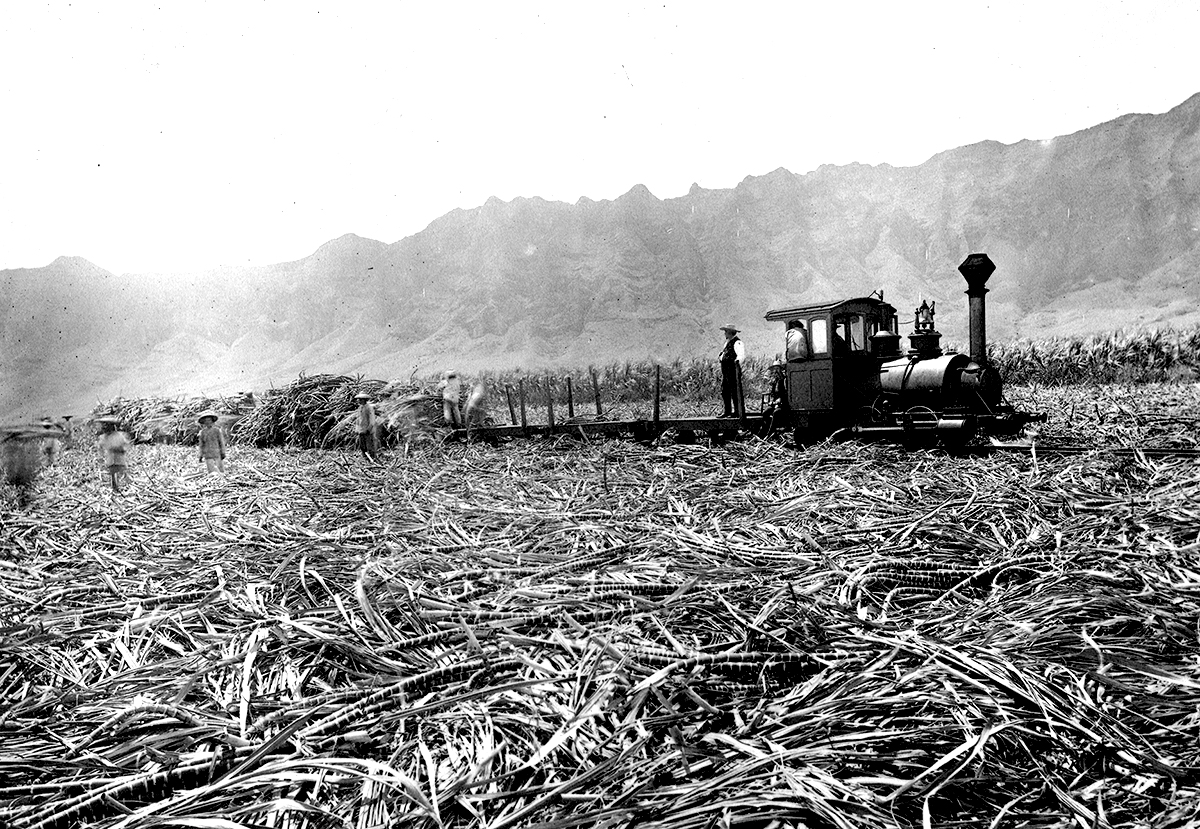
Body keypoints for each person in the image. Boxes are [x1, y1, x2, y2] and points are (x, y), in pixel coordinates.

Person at [717, 324, 745, 418]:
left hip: (733, 370)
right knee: (725, 391)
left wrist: (736, 363)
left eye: (726, 331)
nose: (725, 333)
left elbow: (741, 355)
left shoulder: (737, 342)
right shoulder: (727, 342)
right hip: (726, 371)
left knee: (734, 391)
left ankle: (737, 412)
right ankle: (727, 411)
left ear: (730, 332)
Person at [96, 417, 130, 492]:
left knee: (121, 473)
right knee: (114, 474)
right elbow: (100, 447)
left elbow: (125, 445)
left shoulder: (120, 435)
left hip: (118, 457)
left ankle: (125, 488)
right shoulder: (104, 437)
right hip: (111, 458)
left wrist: (120, 449)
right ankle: (116, 489)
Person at [197, 410, 227, 474]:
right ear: (204, 422)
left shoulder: (217, 431)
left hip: (217, 453)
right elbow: (201, 445)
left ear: (212, 421)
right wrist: (200, 455)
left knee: (220, 471)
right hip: (208, 454)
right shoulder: (202, 432)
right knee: (211, 472)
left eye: (209, 420)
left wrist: (223, 452)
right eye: (206, 421)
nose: (208, 422)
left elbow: (221, 442)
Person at [762, 359, 789, 432]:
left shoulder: (785, 381)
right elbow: (773, 394)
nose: (776, 370)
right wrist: (772, 402)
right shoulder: (775, 381)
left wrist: (778, 402)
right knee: (765, 412)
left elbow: (786, 394)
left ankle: (771, 432)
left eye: (777, 368)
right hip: (775, 403)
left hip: (784, 404)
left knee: (776, 413)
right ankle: (764, 430)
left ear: (780, 369)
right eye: (775, 369)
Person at [354, 392, 380, 461]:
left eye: (359, 399)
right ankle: (365, 458)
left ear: (363, 400)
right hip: (361, 430)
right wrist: (357, 429)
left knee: (369, 445)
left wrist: (369, 429)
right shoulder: (360, 408)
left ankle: (372, 458)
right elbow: (358, 419)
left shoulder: (369, 408)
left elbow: (372, 420)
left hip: (367, 430)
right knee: (362, 446)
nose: (358, 401)